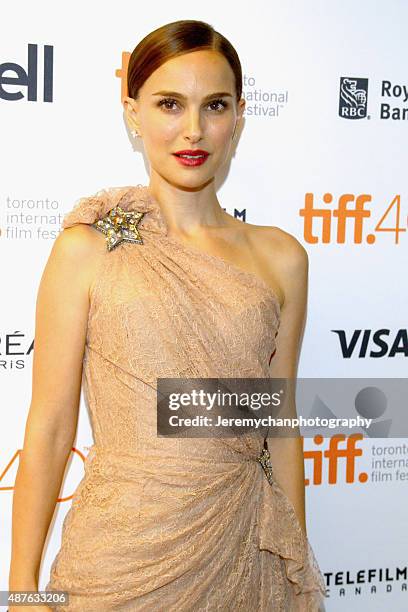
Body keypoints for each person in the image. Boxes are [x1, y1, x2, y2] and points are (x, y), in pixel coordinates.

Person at [8, 19, 327, 611]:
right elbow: (51, 427)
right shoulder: (86, 248)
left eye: (215, 105)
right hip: (120, 558)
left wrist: (296, 571)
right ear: (132, 113)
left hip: (246, 550)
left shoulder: (282, 257)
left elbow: (279, 425)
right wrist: (22, 590)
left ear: (239, 116)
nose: (193, 129)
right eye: (169, 104)